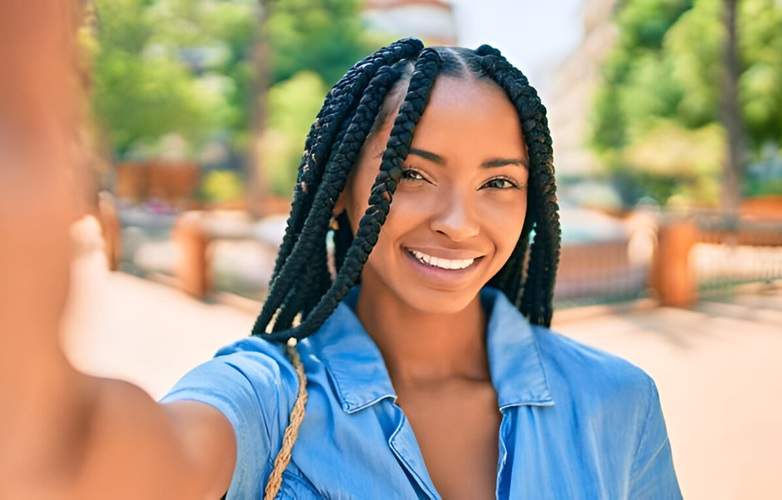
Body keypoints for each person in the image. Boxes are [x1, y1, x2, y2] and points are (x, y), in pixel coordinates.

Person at [0, 9, 681, 498]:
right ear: (338, 191)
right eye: (412, 174)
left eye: (499, 182)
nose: (458, 221)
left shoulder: (616, 402)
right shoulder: (265, 401)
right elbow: (75, 461)